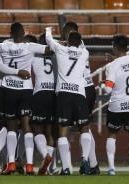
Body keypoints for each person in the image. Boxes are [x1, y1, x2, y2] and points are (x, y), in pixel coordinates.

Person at [0, 22, 50, 175]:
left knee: (11, 128)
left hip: (9, 90)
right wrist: (49, 35)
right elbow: (49, 49)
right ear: (23, 34)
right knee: (26, 128)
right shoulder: (30, 46)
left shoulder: (3, 46)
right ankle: (30, 165)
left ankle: (11, 163)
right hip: (26, 91)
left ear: (10, 33)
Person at [45, 27, 91, 175]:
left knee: (63, 131)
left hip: (64, 94)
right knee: (84, 127)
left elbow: (49, 40)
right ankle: (84, 158)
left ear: (67, 41)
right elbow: (79, 44)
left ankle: (66, 167)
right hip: (79, 94)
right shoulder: (85, 53)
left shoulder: (60, 49)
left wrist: (48, 30)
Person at [99, 33, 129, 176]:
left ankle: (111, 168)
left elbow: (108, 90)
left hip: (116, 106)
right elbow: (125, 67)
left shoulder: (111, 66)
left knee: (112, 135)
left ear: (115, 47)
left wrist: (103, 85)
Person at [61, 21, 100, 175]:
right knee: (84, 127)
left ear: (69, 33)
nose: (62, 34)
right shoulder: (82, 48)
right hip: (88, 88)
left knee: (77, 127)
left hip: (78, 89)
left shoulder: (70, 48)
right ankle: (93, 165)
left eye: (64, 32)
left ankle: (84, 164)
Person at [26, 33, 56, 175]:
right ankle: (48, 168)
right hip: (54, 93)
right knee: (50, 131)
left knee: (36, 128)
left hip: (40, 92)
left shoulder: (33, 52)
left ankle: (46, 156)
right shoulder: (58, 53)